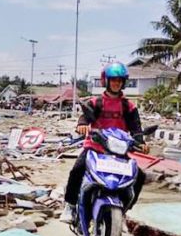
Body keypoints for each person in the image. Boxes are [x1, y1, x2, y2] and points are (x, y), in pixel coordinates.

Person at [60, 62, 149, 224]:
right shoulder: (96, 102)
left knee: (139, 176)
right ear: (106, 81)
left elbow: (136, 128)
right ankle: (70, 205)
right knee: (77, 169)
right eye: (113, 80)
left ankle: (123, 211)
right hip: (95, 147)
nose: (117, 83)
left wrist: (141, 142)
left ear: (124, 82)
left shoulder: (128, 106)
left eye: (120, 80)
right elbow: (85, 116)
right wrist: (82, 125)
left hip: (118, 151)